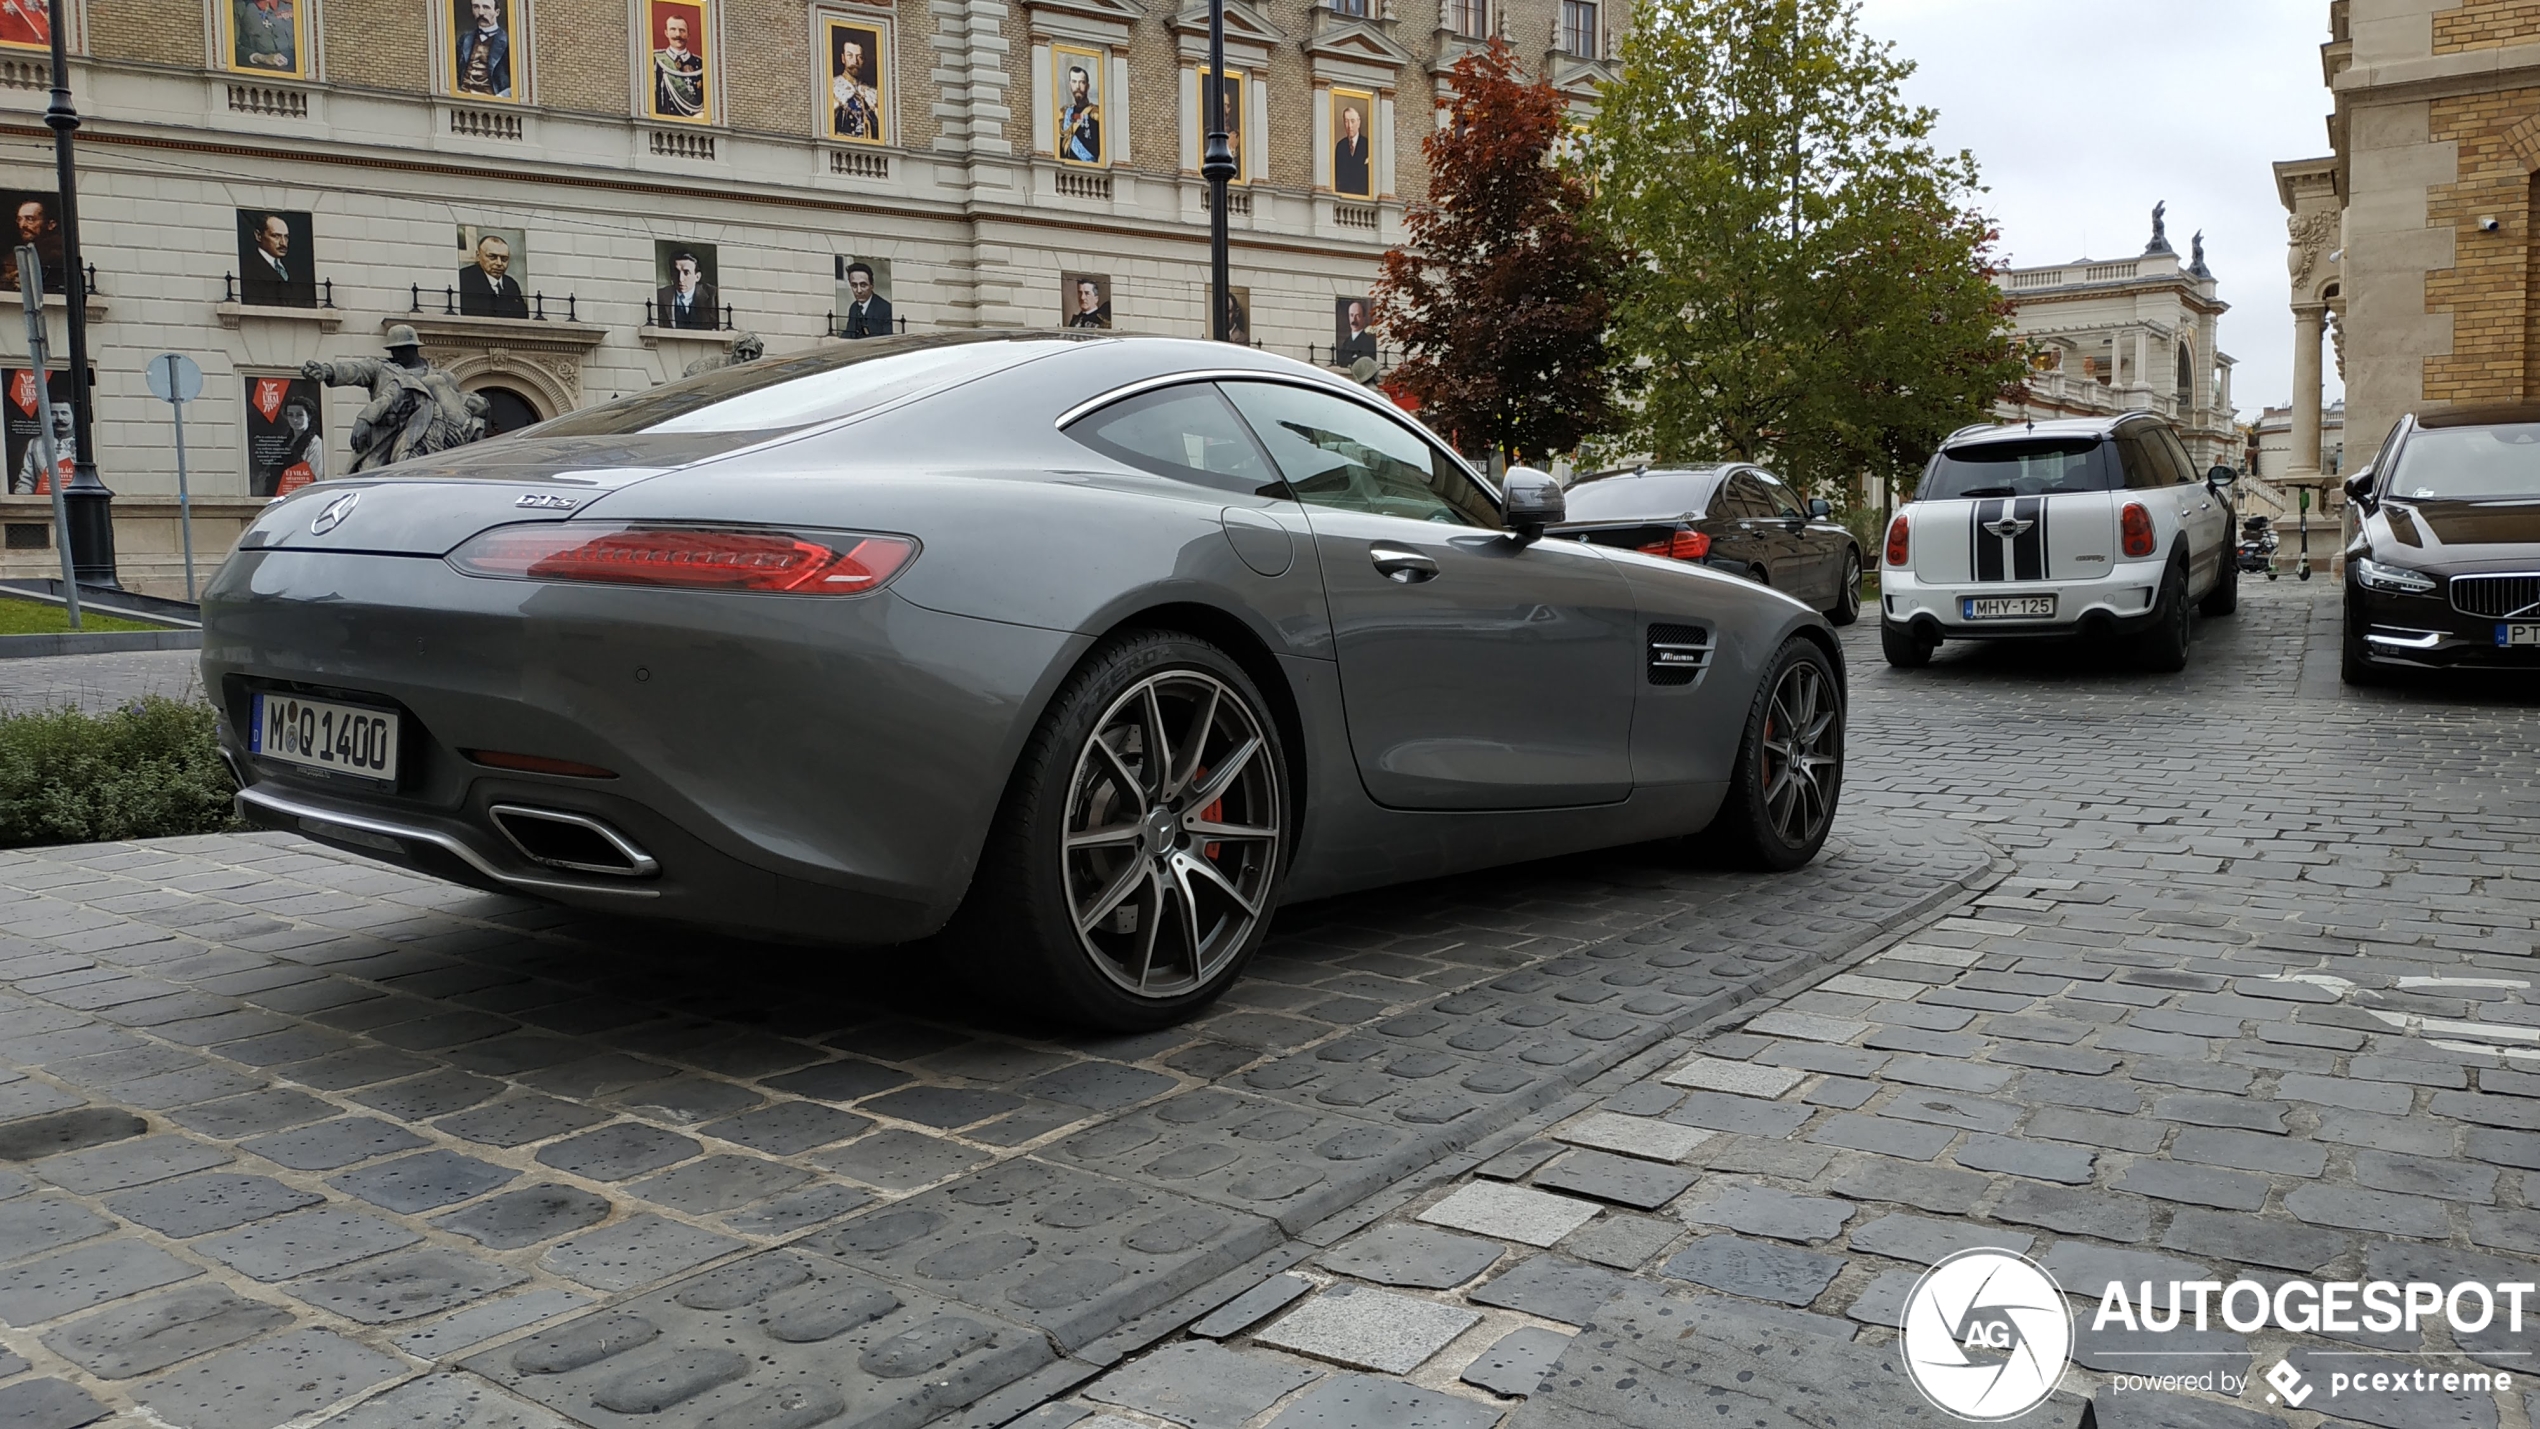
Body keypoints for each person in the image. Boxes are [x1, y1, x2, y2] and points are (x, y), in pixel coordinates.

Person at [302, 324, 488, 473]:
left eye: (400, 349)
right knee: (368, 473)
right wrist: (327, 371)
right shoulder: (381, 368)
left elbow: (457, 402)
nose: (395, 354)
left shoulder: (441, 377)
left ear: (414, 348)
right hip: (385, 435)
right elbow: (354, 371)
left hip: (426, 435)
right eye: (393, 350)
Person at [241, 213, 307, 306]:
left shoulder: (295, 270)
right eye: (276, 236)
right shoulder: (247, 268)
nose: (283, 243)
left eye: (286, 237)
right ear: (258, 236)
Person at [457, 233, 527, 318]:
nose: (499, 263)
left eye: (504, 259)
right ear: (478, 256)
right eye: (492, 257)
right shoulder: (463, 279)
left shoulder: (511, 285)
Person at [10, 399, 69, 495]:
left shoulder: (81, 445)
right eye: (53, 413)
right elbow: (27, 480)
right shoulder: (35, 444)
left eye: (64, 413)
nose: (59, 418)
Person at [1, 199, 61, 294]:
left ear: (50, 225)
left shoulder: (58, 254)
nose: (22, 225)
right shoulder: (11, 258)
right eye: (19, 219)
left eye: (30, 219)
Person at [453, 0, 511, 98]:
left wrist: (501, 97)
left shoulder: (508, 43)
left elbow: (520, 82)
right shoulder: (464, 39)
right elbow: (454, 72)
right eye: (476, 7)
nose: (480, 12)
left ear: (497, 12)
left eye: (486, 7)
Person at [653, 14, 705, 119]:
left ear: (688, 35)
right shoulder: (656, 59)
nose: (678, 34)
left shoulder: (700, 63)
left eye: (682, 30)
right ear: (666, 33)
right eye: (673, 29)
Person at [831, 34, 881, 140]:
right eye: (850, 56)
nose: (855, 61)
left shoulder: (872, 92)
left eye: (859, 57)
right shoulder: (833, 86)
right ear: (843, 58)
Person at [655, 250, 719, 329]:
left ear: (697, 277)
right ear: (671, 274)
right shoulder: (660, 296)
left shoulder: (713, 295)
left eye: (686, 272)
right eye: (676, 272)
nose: (680, 279)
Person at [273, 395, 324, 494]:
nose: (295, 420)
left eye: (299, 415)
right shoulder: (287, 441)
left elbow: (317, 476)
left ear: (308, 417)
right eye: (290, 415)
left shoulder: (315, 443)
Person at [233, 0, 297, 70]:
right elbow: (232, 48)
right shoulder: (239, 8)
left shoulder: (293, 6)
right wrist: (261, 58)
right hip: (260, 71)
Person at [1059, 65, 1100, 165]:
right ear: (1070, 85)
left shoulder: (1096, 113)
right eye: (1074, 82)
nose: (1077, 86)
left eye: (1082, 82)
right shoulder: (1064, 113)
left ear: (1087, 86)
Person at [841, 261, 891, 338]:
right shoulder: (853, 308)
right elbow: (849, 334)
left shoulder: (886, 309)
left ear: (872, 286)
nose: (859, 291)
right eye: (854, 285)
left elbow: (887, 340)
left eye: (863, 285)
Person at [1333, 101, 1369, 197]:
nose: (1349, 126)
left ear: (1359, 122)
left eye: (1352, 121)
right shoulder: (1340, 146)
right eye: (1346, 121)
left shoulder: (1367, 145)